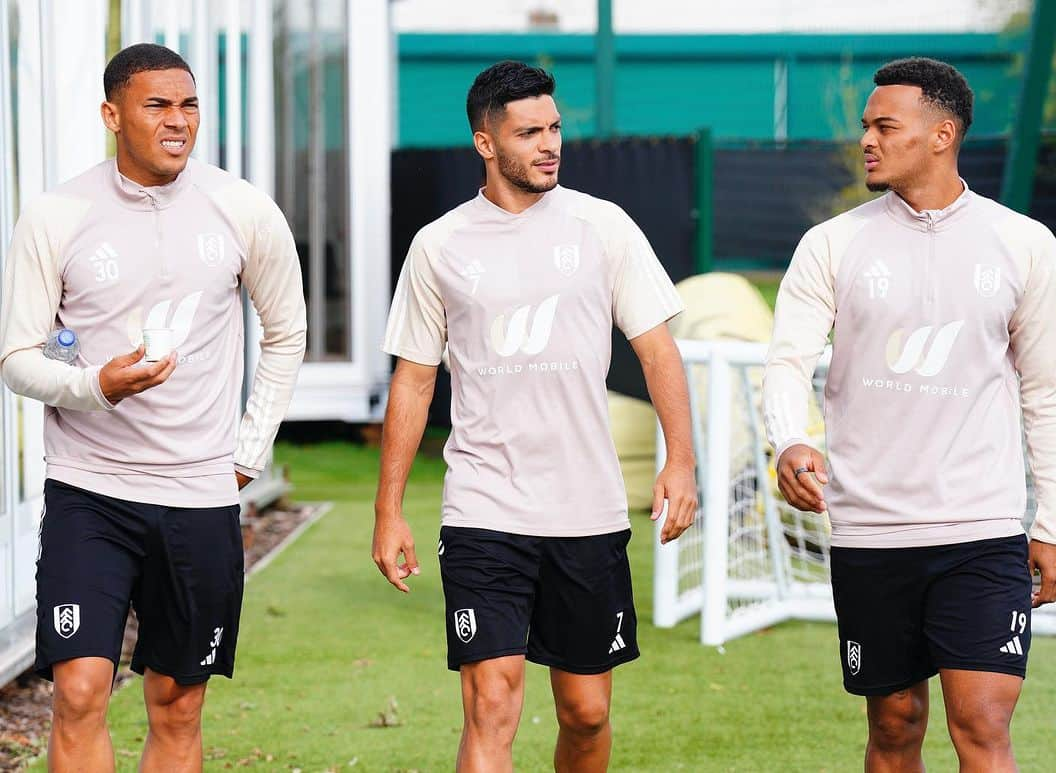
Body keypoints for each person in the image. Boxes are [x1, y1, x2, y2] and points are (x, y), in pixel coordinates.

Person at [373, 60, 696, 772]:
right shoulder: (440, 244)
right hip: (484, 505)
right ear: (486, 143)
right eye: (528, 132)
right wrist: (388, 508)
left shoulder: (602, 226)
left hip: (587, 510)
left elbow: (658, 350)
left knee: (587, 712)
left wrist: (681, 458)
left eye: (554, 128)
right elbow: (414, 380)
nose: (549, 144)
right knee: (492, 702)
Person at [0, 43, 306, 770]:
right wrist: (94, 386)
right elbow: (16, 358)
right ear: (112, 115)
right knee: (79, 690)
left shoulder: (241, 208)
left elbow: (288, 328)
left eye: (189, 104)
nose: (179, 121)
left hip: (199, 497)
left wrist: (247, 452)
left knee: (177, 702)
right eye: (157, 105)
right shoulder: (57, 215)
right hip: (91, 493)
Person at [764, 57, 1056, 772]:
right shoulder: (832, 245)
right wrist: (788, 441)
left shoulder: (1023, 243)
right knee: (895, 725)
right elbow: (787, 360)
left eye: (884, 125)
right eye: (865, 125)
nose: (867, 139)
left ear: (942, 134)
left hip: (981, 528)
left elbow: (1049, 390)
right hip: (870, 531)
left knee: (983, 721)